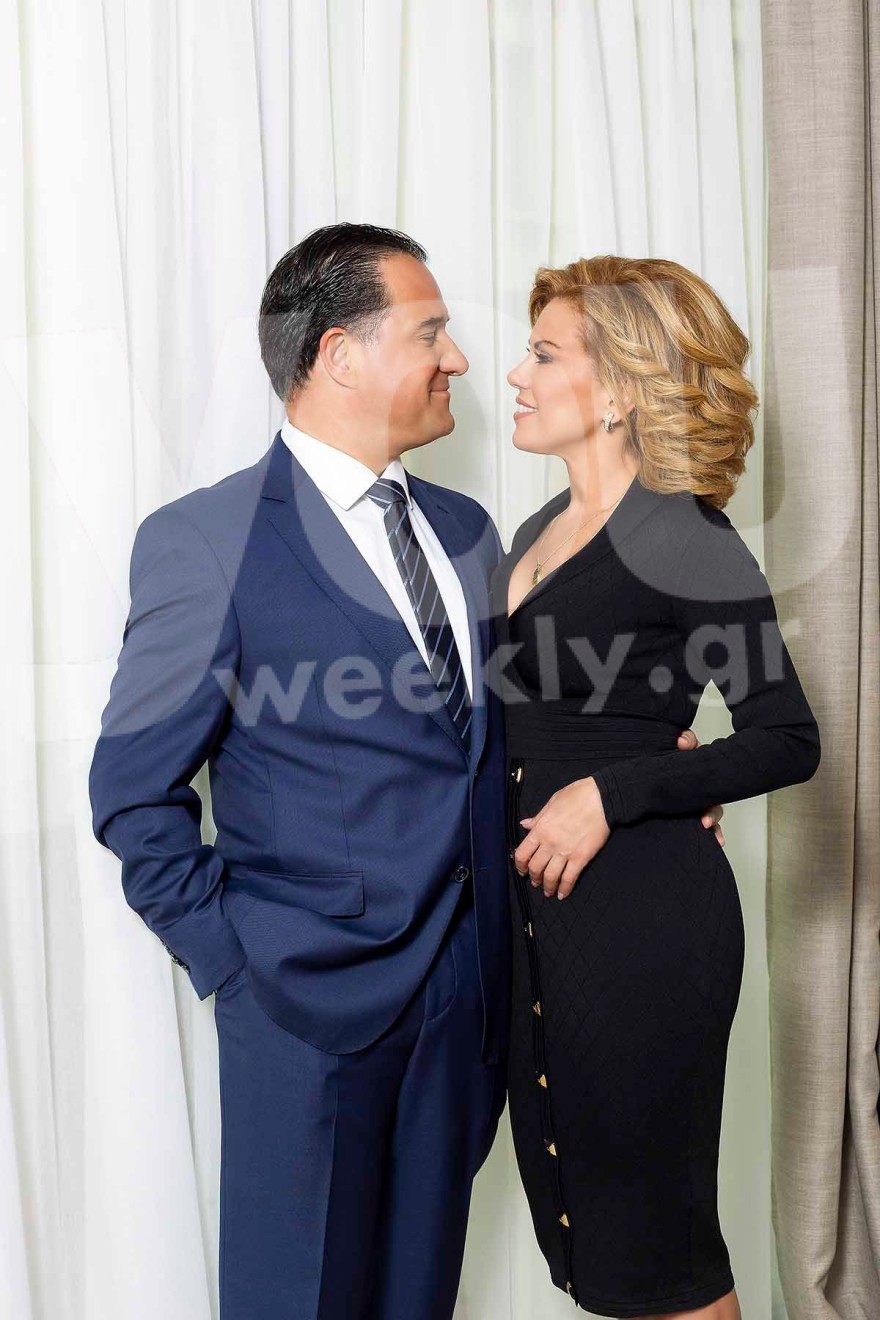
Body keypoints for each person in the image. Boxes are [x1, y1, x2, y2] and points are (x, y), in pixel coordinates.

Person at [88, 225, 719, 1320]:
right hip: (303, 1016)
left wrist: (650, 780)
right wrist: (239, 967)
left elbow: (518, 729)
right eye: (431, 333)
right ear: (339, 354)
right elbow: (133, 791)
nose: (459, 360)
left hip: (467, 1007)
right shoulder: (206, 540)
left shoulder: (471, 533)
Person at [491, 254, 821, 1319]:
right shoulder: (532, 535)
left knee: (662, 1257)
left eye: (544, 354)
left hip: (640, 923)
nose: (516, 375)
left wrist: (617, 792)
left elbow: (786, 737)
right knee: (597, 1252)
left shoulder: (685, 534)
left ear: (620, 390)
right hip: (538, 921)